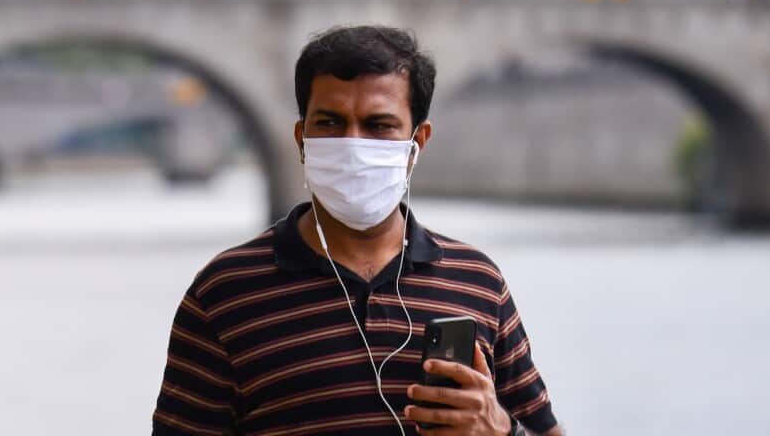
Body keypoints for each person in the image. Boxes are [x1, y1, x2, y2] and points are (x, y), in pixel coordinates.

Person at [152, 25, 562, 435]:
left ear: (418, 141)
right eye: (330, 123)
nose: (352, 145)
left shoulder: (478, 283)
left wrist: (503, 431)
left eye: (378, 125)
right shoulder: (223, 293)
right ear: (301, 140)